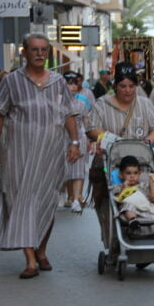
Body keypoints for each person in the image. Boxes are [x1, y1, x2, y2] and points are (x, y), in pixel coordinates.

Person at [0, 33, 81, 279]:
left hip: (51, 153)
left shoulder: (59, 81)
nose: (39, 54)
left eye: (43, 50)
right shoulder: (12, 81)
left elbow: (69, 113)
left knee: (47, 202)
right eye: (34, 49)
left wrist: (74, 142)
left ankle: (41, 249)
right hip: (19, 153)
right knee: (20, 201)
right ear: (24, 52)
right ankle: (30, 260)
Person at [87, 62, 154, 247]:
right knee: (106, 204)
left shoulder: (144, 104)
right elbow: (91, 129)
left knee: (147, 197)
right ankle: (111, 242)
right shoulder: (102, 104)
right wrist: (109, 138)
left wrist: (146, 143)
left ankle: (145, 235)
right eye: (123, 86)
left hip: (139, 165)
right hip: (109, 164)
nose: (127, 90)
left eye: (131, 86)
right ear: (115, 86)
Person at [62, 72, 91, 213]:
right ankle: (70, 195)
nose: (73, 87)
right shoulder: (57, 103)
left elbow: (85, 121)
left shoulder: (81, 102)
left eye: (74, 84)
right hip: (62, 138)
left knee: (79, 169)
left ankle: (76, 199)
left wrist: (88, 138)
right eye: (69, 84)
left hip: (79, 137)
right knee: (66, 170)